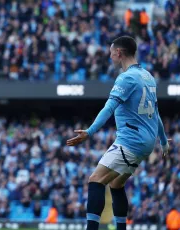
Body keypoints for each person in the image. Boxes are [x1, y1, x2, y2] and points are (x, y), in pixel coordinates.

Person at [66, 35, 171, 230]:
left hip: (131, 139)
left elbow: (109, 107)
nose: (110, 57)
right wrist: (163, 141)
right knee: (116, 184)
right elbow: (155, 113)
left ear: (119, 53)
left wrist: (89, 132)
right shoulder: (148, 76)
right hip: (146, 142)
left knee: (96, 180)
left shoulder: (127, 77)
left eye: (111, 53)